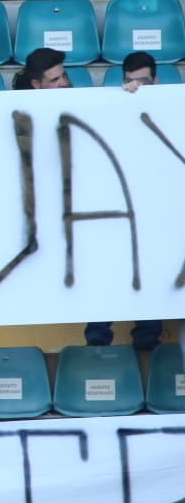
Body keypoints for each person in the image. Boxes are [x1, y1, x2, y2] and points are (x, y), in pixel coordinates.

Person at [83, 51, 162, 350]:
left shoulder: (173, 105)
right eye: (129, 81)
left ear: (156, 80)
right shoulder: (114, 106)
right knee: (107, 275)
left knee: (153, 275)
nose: (136, 87)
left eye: (142, 82)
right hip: (117, 212)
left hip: (156, 214)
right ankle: (97, 344)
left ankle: (146, 346)